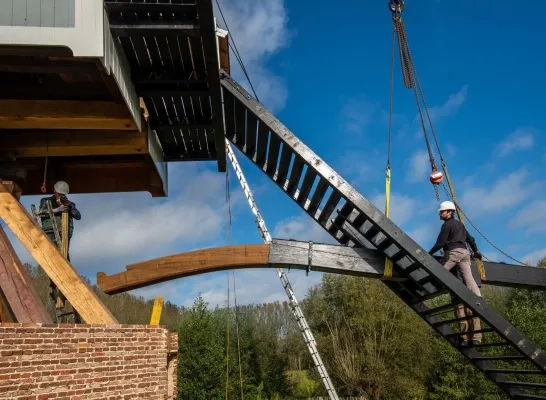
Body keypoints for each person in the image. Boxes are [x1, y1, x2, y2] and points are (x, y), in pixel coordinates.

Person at [429, 200, 483, 346]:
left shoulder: (447, 225)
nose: (440, 213)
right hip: (465, 253)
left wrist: (428, 253)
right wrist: (476, 251)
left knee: (441, 272)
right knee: (469, 278)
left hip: (454, 252)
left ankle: (434, 281)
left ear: (449, 212)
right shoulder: (460, 225)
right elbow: (470, 239)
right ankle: (478, 295)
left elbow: (440, 243)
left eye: (442, 211)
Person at [38, 180, 81, 262]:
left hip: (65, 231)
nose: (61, 195)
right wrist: (56, 210)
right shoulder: (46, 201)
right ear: (55, 190)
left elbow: (78, 216)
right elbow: (41, 213)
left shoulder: (69, 203)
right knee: (52, 252)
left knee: (64, 253)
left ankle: (66, 269)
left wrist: (71, 207)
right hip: (50, 230)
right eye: (59, 193)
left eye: (63, 194)